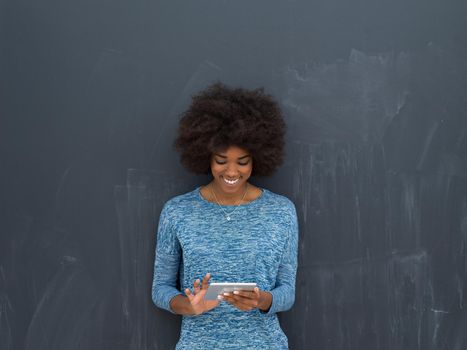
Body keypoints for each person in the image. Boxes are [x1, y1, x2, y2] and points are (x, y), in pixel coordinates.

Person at [151, 82, 299, 349]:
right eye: (221, 160)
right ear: (206, 157)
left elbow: (287, 292)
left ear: (257, 159)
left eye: (242, 162)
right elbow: (160, 288)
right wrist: (188, 306)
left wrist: (261, 300)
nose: (231, 172)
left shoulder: (281, 211)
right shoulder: (177, 211)